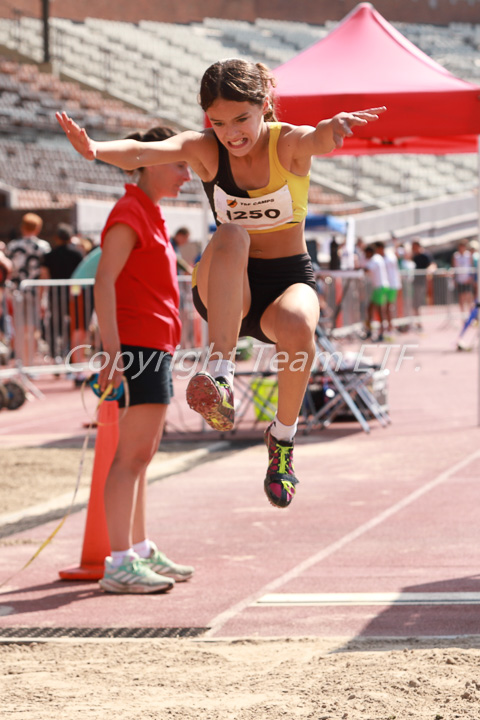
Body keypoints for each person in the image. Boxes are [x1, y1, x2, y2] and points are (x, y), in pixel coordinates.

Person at [56, 57, 385, 509]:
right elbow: (141, 153)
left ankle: (282, 441)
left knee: (297, 323)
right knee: (232, 232)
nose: (231, 133)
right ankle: (220, 374)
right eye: (218, 122)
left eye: (241, 119)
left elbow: (318, 138)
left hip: (287, 278)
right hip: (228, 283)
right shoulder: (205, 148)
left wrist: (333, 126)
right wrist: (93, 147)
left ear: (264, 105)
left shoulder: (286, 143)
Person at [89, 125, 194, 593]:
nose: (187, 175)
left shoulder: (151, 213)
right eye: (179, 163)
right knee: (130, 456)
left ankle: (139, 548)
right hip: (136, 349)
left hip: (154, 347)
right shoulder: (130, 210)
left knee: (142, 456)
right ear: (147, 162)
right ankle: (119, 562)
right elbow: (103, 281)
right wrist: (112, 352)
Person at [39, 223, 83, 360]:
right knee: (72, 324)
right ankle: (69, 353)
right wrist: (74, 294)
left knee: (55, 323)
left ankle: (55, 353)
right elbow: (80, 275)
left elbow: (44, 276)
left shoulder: (50, 255)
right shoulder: (77, 254)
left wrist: (42, 297)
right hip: (72, 295)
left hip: (56, 295)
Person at [6, 212, 51, 285]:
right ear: (38, 228)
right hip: (35, 289)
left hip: (15, 288)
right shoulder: (43, 247)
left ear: (22, 227)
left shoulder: (12, 245)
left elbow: (8, 269)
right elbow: (44, 272)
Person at [374, 241, 401, 333]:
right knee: (383, 307)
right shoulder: (380, 258)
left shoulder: (390, 257)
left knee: (388, 307)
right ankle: (386, 327)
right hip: (385, 285)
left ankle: (390, 327)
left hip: (392, 285)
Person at [363, 244, 389, 341]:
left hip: (380, 287)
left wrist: (358, 268)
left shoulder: (375, 259)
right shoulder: (378, 258)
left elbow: (367, 269)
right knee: (371, 309)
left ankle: (381, 333)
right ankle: (371, 331)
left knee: (379, 310)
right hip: (380, 286)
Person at [411, 238, 436, 330]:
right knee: (413, 303)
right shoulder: (413, 256)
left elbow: (433, 265)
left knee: (417, 303)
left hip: (420, 283)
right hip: (412, 283)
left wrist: (428, 272)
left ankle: (418, 322)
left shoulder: (425, 255)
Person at [451, 240, 474, 315]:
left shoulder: (468, 255)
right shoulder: (456, 256)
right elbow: (454, 267)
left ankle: (471, 316)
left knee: (469, 297)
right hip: (460, 280)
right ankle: (463, 316)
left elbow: (471, 266)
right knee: (461, 298)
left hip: (467, 279)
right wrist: (455, 279)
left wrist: (470, 277)